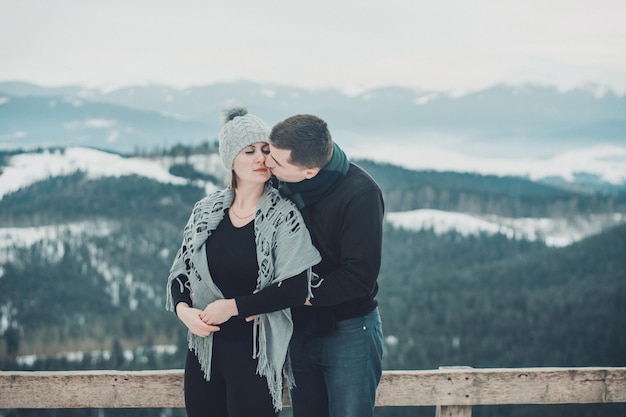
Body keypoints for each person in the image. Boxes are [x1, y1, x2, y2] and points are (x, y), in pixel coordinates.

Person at [165, 106, 321, 417]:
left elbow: (295, 289)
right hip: (203, 352)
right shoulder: (206, 211)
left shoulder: (284, 217)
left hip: (254, 355)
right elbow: (180, 273)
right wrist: (184, 311)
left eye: (266, 150)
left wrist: (234, 307)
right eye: (249, 151)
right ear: (230, 160)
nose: (261, 158)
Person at [265, 114, 385, 417]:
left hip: (349, 331)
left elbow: (358, 278)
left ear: (309, 171)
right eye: (269, 153)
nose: (269, 165)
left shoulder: (360, 194)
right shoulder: (280, 185)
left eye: (277, 162)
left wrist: (291, 294)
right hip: (300, 329)